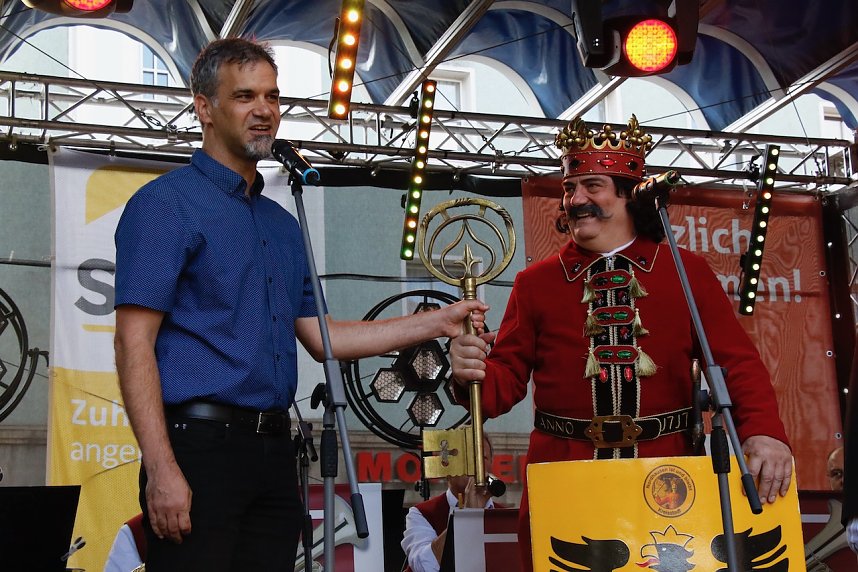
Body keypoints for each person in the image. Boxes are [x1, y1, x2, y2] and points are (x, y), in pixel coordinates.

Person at [113, 37, 487, 572]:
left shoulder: (282, 225)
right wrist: (162, 466)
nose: (264, 110)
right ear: (204, 108)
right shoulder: (166, 205)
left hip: (274, 451)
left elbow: (323, 337)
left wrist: (440, 320)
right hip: (197, 448)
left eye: (272, 96)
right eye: (244, 96)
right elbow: (133, 345)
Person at [449, 115, 793, 572]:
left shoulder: (685, 271)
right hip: (564, 470)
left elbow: (735, 363)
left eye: (592, 186)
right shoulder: (536, 283)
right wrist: (468, 370)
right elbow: (504, 383)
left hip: (667, 470)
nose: (576, 200)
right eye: (570, 188)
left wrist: (764, 433)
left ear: (631, 193)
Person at [401, 434, 501, 572]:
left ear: (491, 463)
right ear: (446, 466)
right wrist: (466, 516)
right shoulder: (422, 514)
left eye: (482, 458)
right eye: (465, 458)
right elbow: (424, 567)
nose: (475, 465)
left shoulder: (505, 516)